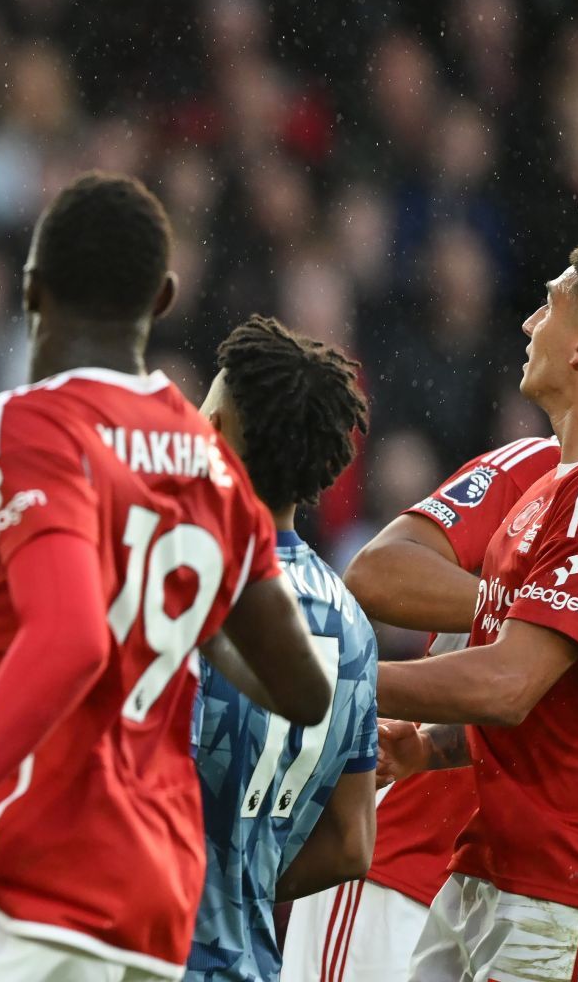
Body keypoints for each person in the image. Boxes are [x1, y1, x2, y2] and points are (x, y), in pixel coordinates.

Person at [0, 173, 334, 982]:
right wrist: (172, 615)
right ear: (166, 296)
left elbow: (69, 640)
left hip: (25, 870)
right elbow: (305, 689)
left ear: (31, 288)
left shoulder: (22, 423)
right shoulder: (212, 467)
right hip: (152, 899)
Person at [282, 334, 578, 982]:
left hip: (545, 884)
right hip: (396, 857)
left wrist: (558, 621)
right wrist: (544, 609)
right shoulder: (539, 468)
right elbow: (377, 574)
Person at [374, 240, 578, 982]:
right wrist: (430, 749)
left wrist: (341, 676)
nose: (529, 324)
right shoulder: (550, 491)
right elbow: (561, 701)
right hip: (494, 870)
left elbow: (506, 685)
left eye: (550, 304)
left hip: (577, 886)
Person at [185, 317, 379, 982]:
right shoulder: (351, 627)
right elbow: (353, 844)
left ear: (219, 438)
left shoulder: (182, 591)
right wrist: (238, 891)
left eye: (206, 415)